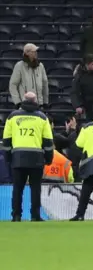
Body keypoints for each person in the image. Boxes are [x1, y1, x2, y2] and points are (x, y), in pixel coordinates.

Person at [2, 92, 54, 221]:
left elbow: (7, 140)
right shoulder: (42, 118)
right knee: (35, 188)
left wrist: (9, 158)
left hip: (18, 158)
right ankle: (35, 215)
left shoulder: (12, 117)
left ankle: (16, 215)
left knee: (17, 188)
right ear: (36, 100)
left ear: (23, 100)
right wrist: (49, 158)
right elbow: (48, 141)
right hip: (36, 158)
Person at [9, 43, 49, 108]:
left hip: (39, 104)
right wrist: (17, 102)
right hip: (24, 104)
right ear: (27, 53)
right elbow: (13, 84)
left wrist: (45, 102)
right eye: (34, 51)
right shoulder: (19, 66)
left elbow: (45, 84)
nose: (36, 53)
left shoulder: (40, 66)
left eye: (36, 51)